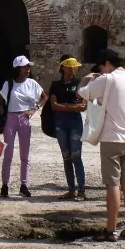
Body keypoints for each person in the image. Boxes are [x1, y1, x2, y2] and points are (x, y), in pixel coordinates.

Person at [78, 50, 125, 241]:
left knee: (113, 185)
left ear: (107, 63)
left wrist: (86, 79)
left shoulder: (107, 79)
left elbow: (82, 93)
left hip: (111, 138)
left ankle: (110, 230)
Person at [0, 55, 44, 198]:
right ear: (18, 69)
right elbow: (0, 102)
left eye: (28, 66)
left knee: (25, 154)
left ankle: (23, 184)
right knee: (8, 154)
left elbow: (44, 97)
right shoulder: (9, 83)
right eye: (25, 67)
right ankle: (4, 185)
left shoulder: (32, 83)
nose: (28, 69)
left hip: (24, 119)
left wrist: (34, 108)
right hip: (10, 118)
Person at [46, 56, 88, 200]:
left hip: (74, 123)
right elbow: (53, 105)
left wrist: (64, 107)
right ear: (62, 68)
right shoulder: (55, 85)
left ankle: (81, 190)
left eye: (74, 66)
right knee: (66, 156)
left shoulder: (79, 84)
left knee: (76, 156)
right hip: (61, 124)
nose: (72, 69)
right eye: (69, 66)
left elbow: (83, 106)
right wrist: (73, 107)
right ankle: (71, 189)